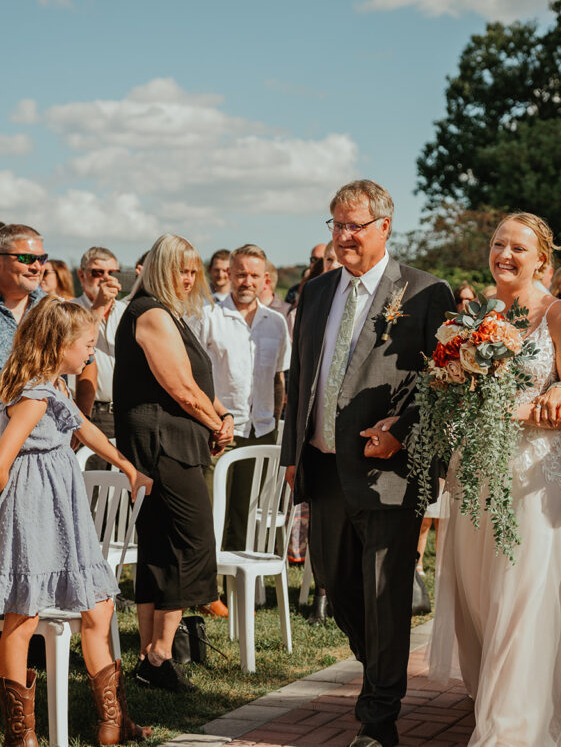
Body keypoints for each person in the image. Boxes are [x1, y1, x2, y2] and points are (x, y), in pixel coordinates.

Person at [282, 179, 453, 747]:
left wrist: (401, 432)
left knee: (385, 594)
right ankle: (381, 670)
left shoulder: (428, 293)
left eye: (355, 224)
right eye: (336, 224)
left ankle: (378, 721)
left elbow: (442, 384)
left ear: (384, 227)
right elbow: (301, 376)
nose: (344, 235)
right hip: (325, 465)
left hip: (389, 471)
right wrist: (292, 453)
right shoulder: (316, 291)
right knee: (333, 579)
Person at [429, 212, 561, 746]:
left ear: (542, 258)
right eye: (498, 244)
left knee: (526, 595)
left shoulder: (558, 314)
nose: (505, 254)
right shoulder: (478, 315)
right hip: (478, 470)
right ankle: (493, 700)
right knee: (482, 595)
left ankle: (517, 726)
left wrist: (549, 401)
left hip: (535, 477)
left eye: (518, 248)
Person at [0, 297, 152, 745]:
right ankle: (20, 733)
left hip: (64, 508)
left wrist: (126, 465)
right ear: (58, 344)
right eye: (87, 344)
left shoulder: (57, 386)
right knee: (22, 615)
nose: (91, 352)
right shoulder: (32, 394)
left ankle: (113, 722)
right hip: (33, 509)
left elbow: (83, 427)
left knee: (100, 605)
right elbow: (4, 456)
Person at [114, 234, 234, 692]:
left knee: (162, 549)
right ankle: (161, 653)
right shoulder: (151, 313)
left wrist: (218, 415)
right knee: (190, 543)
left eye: (193, 271)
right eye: (180, 270)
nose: (188, 278)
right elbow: (180, 389)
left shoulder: (169, 316)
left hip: (175, 443)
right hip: (162, 446)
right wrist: (216, 423)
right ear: (158, 269)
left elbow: (197, 382)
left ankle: (151, 658)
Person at [195, 244, 290, 552]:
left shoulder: (276, 323)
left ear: (266, 279)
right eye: (240, 274)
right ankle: (209, 590)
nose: (247, 281)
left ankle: (237, 589)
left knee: (245, 515)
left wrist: (273, 423)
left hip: (260, 431)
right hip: (218, 431)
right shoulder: (209, 316)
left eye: (254, 275)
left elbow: (278, 378)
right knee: (210, 512)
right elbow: (195, 377)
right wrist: (214, 421)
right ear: (230, 275)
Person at [73, 247, 125, 440]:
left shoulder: (129, 311)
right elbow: (81, 342)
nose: (105, 278)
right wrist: (98, 308)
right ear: (81, 274)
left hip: (126, 412)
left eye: (112, 273)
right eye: (97, 272)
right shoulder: (68, 309)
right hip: (89, 410)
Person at [0, 224, 47, 366]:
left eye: (42, 259)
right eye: (27, 258)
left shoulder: (54, 309)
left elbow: (88, 360)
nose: (37, 267)